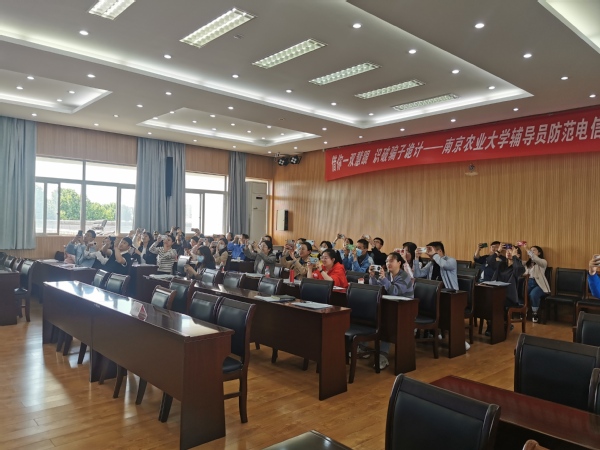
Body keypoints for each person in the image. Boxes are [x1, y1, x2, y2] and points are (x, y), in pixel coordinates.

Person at [368, 252, 414, 369]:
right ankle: (363, 347)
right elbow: (376, 288)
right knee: (371, 318)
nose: (388, 263)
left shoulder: (404, 276)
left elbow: (394, 291)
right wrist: (372, 277)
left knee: (387, 324)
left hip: (405, 311)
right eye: (387, 261)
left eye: (391, 261)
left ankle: (383, 356)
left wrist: (383, 279)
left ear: (399, 263)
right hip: (391, 308)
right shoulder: (387, 274)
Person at [522, 244, 551, 323]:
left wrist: (527, 249)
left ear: (539, 253)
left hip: (539, 285)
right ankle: (523, 311)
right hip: (528, 282)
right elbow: (518, 263)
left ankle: (535, 314)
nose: (531, 252)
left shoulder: (542, 262)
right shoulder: (527, 263)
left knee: (533, 294)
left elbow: (535, 259)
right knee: (521, 292)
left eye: (533, 250)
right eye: (530, 250)